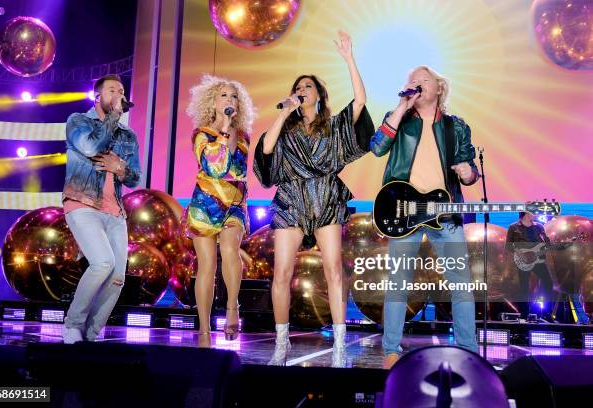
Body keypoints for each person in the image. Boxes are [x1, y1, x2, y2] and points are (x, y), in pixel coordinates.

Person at [254, 31, 374, 367]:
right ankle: (281, 343)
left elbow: (360, 102)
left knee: (334, 269)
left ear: (319, 94)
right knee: (282, 273)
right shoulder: (287, 129)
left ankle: (338, 343)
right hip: (291, 198)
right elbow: (266, 150)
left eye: (308, 87)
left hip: (325, 197)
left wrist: (349, 58)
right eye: (298, 87)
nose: (302, 91)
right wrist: (283, 112)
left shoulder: (334, 126)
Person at [370, 66, 479, 369]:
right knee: (398, 282)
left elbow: (469, 170)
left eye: (424, 79)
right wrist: (401, 106)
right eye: (412, 81)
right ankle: (391, 350)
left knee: (461, 283)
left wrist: (468, 173)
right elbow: (377, 147)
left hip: (444, 213)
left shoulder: (456, 127)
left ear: (439, 88)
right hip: (404, 212)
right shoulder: (399, 120)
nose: (416, 83)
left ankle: (468, 352)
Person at [61, 74, 141, 343]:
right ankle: (73, 324)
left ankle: (91, 336)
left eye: (121, 90)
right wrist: (113, 118)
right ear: (98, 96)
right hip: (83, 203)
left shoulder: (128, 136)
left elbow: (135, 177)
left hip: (115, 212)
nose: (119, 94)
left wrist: (120, 168)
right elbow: (90, 146)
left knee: (117, 275)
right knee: (102, 263)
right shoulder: (78, 121)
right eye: (112, 90)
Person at [184, 75, 254, 345]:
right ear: (212, 103)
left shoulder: (242, 135)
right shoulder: (201, 134)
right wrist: (223, 127)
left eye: (234, 96)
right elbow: (214, 166)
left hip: (233, 203)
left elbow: (232, 168)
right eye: (224, 96)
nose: (229, 100)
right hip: (205, 203)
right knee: (207, 266)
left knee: (229, 249)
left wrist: (228, 129)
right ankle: (203, 329)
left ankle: (232, 309)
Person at [505, 212, 557, 322]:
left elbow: (546, 243)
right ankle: (524, 315)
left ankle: (546, 313)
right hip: (523, 261)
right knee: (524, 287)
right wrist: (520, 253)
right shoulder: (513, 227)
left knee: (548, 282)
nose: (534, 214)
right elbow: (508, 246)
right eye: (531, 212)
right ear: (525, 214)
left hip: (538, 260)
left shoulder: (539, 226)